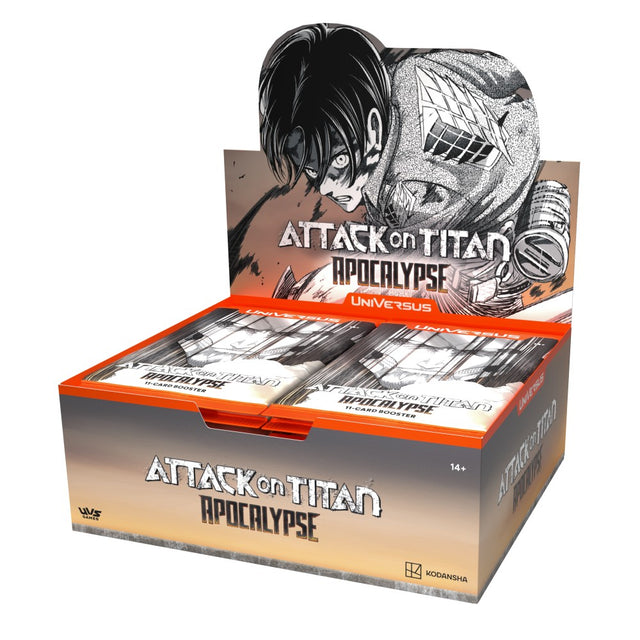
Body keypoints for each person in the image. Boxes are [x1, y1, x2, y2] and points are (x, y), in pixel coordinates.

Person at [259, 24, 391, 213]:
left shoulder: (413, 184)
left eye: (340, 160)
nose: (324, 188)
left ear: (374, 129)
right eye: (312, 170)